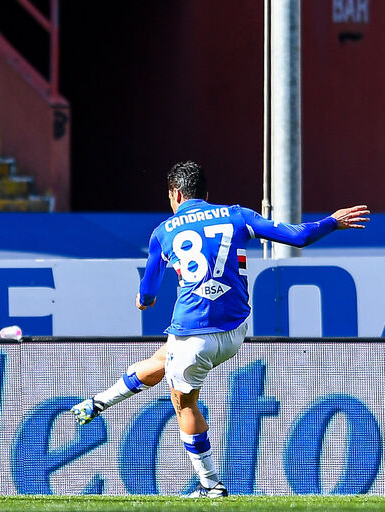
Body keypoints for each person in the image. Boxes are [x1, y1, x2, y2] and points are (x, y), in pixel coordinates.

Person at [71, 161, 369, 497]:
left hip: (193, 334)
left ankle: (210, 485)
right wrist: (332, 221)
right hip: (235, 331)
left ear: (176, 194)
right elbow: (298, 237)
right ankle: (97, 403)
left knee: (184, 404)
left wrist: (143, 300)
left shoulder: (163, 232)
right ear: (206, 193)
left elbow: (148, 292)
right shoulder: (236, 215)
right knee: (162, 361)